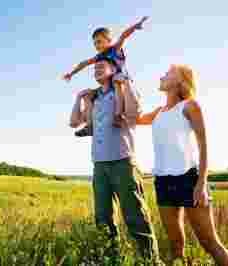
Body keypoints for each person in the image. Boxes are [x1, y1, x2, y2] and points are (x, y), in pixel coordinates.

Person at [136, 64, 228, 266]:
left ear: (180, 81)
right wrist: (122, 86)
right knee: (175, 244)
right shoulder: (158, 112)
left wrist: (201, 183)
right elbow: (132, 119)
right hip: (163, 181)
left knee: (209, 242)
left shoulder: (190, 106)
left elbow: (203, 145)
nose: (162, 75)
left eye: (168, 73)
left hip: (188, 179)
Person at [69, 59, 164, 265]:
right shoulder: (95, 99)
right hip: (100, 164)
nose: (97, 70)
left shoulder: (122, 89)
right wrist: (79, 98)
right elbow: (75, 122)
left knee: (135, 216)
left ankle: (151, 261)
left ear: (114, 70)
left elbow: (133, 113)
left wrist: (125, 83)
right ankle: (111, 259)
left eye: (102, 67)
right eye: (95, 68)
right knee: (103, 218)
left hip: (122, 161)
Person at [65, 16, 150, 136]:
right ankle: (90, 125)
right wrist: (71, 73)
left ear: (109, 40)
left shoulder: (114, 49)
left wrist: (135, 26)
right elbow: (84, 63)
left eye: (99, 41)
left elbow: (124, 35)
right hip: (107, 85)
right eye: (94, 43)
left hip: (120, 80)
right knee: (88, 95)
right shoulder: (98, 57)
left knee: (116, 82)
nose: (96, 45)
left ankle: (118, 115)